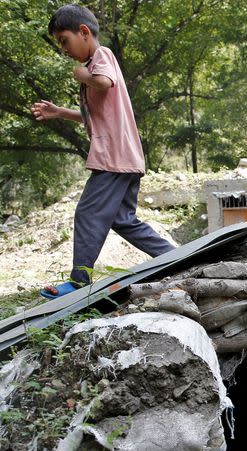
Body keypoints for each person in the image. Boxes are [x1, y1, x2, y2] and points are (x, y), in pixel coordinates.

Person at [31, 3, 174, 299]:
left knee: (87, 213)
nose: (63, 50)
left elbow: (105, 83)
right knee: (124, 221)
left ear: (84, 32)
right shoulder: (94, 67)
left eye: (64, 41)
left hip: (114, 157)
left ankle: (79, 282)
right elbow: (93, 114)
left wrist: (83, 75)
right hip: (125, 157)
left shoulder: (101, 56)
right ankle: (176, 256)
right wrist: (59, 112)